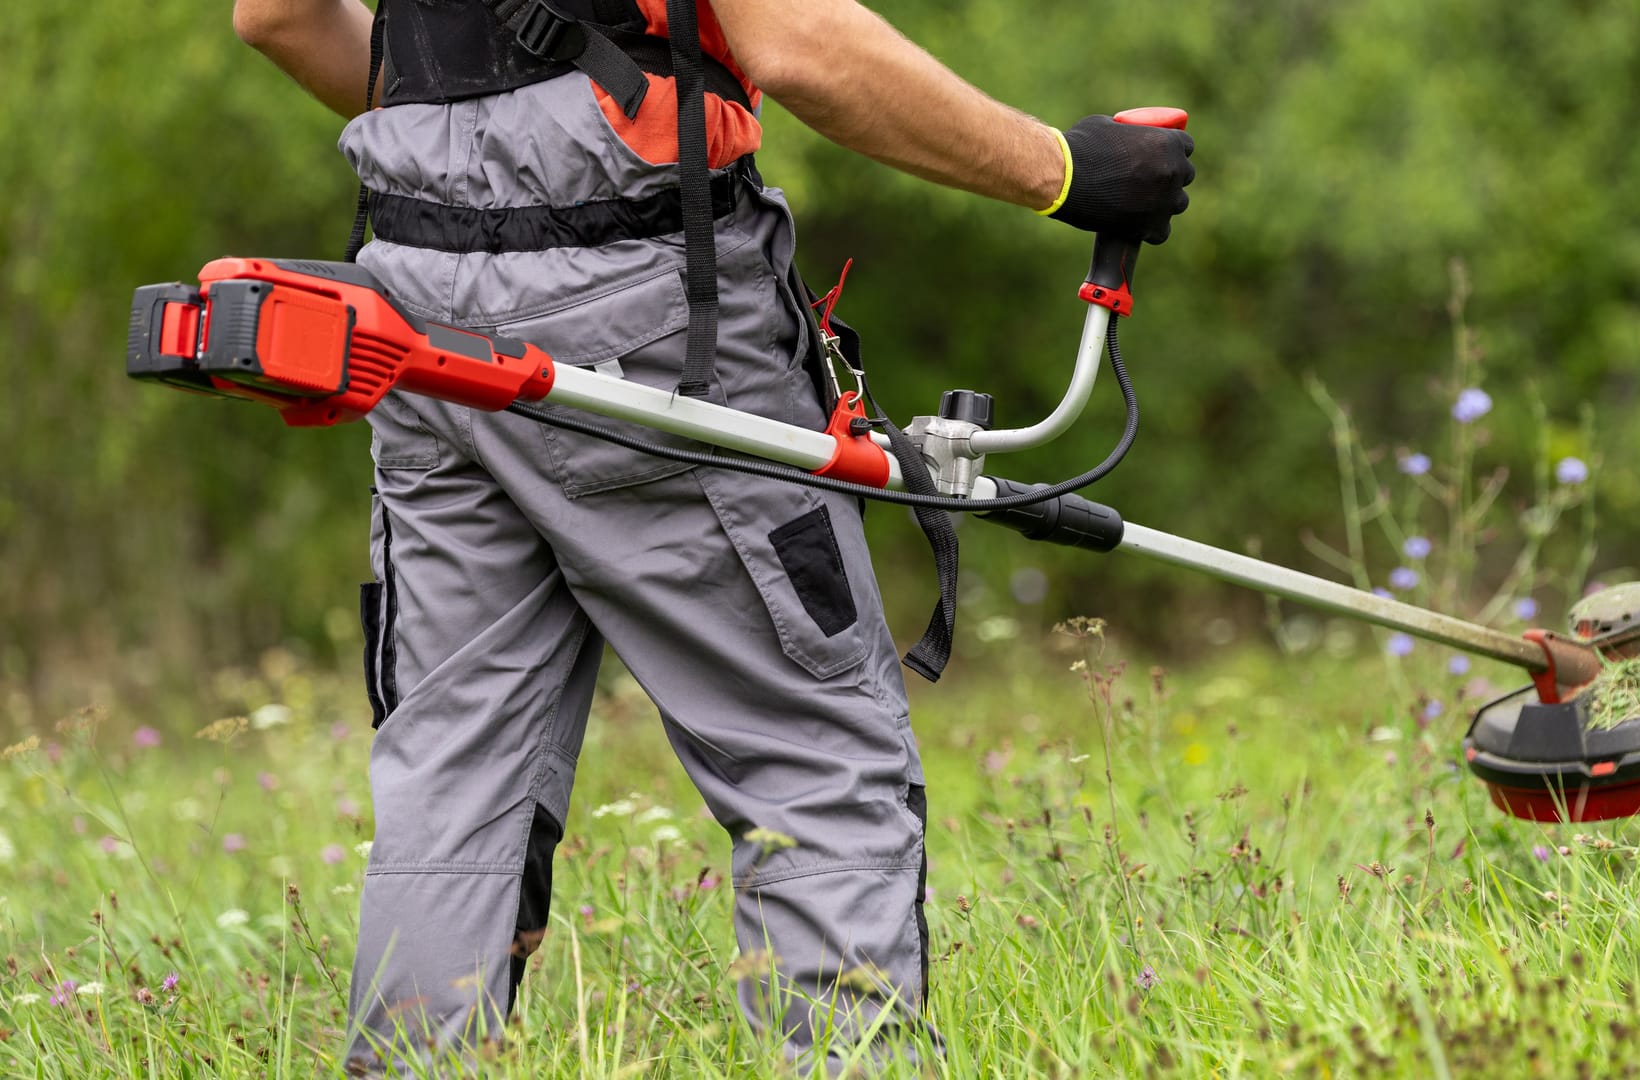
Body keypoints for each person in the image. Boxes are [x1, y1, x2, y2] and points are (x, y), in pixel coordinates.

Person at [230, 0, 1194, 1070]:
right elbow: (800, 43)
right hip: (641, 300)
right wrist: (1064, 170)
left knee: (453, 776)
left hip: (414, 301)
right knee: (812, 761)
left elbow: (276, 16)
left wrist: (478, 153)